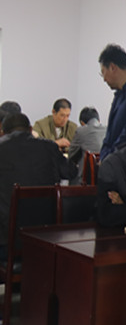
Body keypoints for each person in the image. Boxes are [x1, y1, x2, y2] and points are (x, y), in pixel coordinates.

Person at [0, 113, 76, 260]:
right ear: (30, 129)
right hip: (46, 236)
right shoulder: (49, 146)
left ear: (3, 132)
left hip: (7, 238)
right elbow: (71, 171)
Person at [68, 106, 106, 184]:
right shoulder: (108, 130)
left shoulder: (81, 131)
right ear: (98, 120)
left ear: (82, 123)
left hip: (85, 181)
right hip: (105, 179)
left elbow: (71, 155)